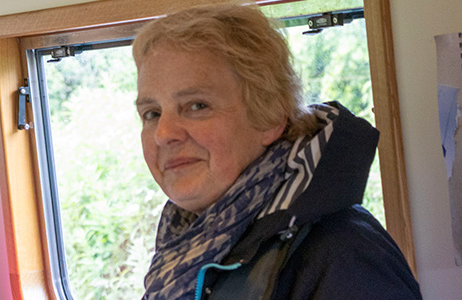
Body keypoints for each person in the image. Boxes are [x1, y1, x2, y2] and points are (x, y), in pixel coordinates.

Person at [133, 4, 421, 300]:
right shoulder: (186, 246)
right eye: (152, 113)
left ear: (269, 116)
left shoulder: (343, 255)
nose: (164, 133)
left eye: (197, 106)